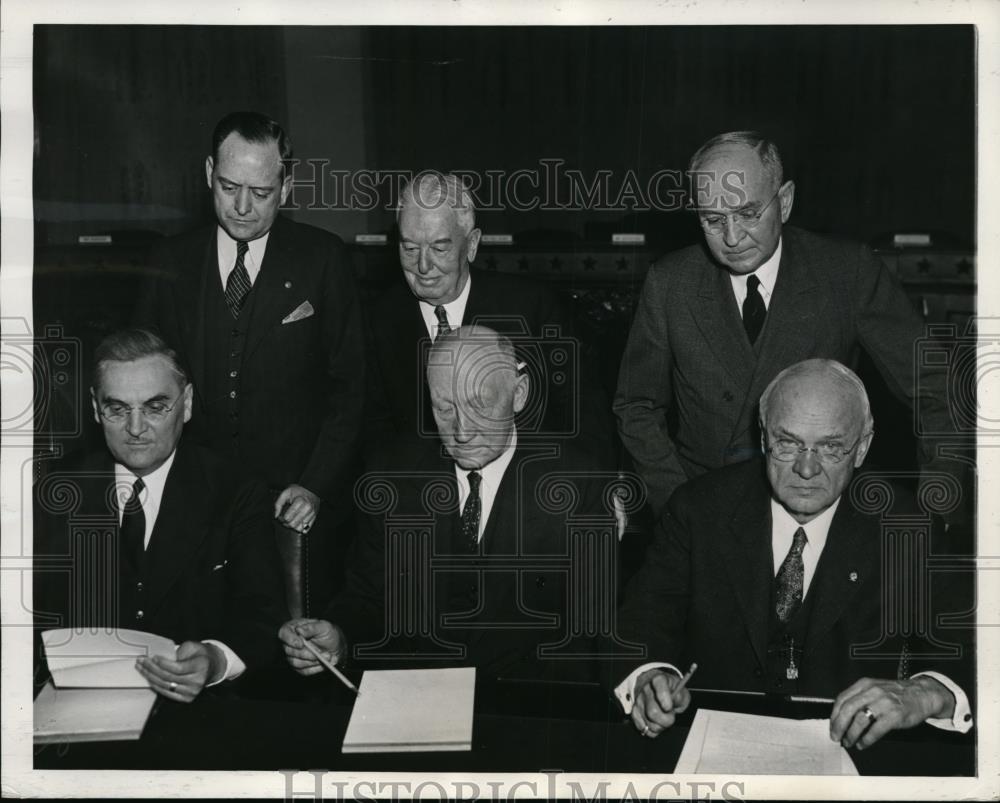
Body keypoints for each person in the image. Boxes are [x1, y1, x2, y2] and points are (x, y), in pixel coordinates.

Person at [611, 359, 973, 749]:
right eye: (788, 443)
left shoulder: (907, 528)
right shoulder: (700, 510)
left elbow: (971, 648)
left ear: (862, 447)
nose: (806, 468)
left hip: (851, 761)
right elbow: (639, 624)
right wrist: (649, 676)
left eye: (831, 447)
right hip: (711, 751)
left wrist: (924, 692)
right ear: (765, 438)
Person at [614, 130, 955, 517]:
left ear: (785, 201)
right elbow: (635, 405)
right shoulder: (670, 282)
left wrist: (939, 506)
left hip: (819, 508)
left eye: (747, 214)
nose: (732, 237)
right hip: (707, 509)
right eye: (713, 219)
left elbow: (937, 387)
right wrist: (679, 504)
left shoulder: (848, 273)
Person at [279, 326, 621, 683]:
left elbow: (590, 630)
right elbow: (369, 596)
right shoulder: (391, 473)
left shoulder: (579, 482)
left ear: (519, 394)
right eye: (444, 409)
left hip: (527, 702)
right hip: (415, 693)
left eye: (478, 406)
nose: (461, 430)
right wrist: (340, 638)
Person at [134, 111, 364, 611]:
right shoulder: (167, 262)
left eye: (260, 192)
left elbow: (352, 389)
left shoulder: (323, 259)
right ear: (207, 172)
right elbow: (144, 387)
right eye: (228, 186)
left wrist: (316, 484)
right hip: (195, 505)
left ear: (286, 186)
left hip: (293, 504)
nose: (241, 206)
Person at [33, 328, 288, 702]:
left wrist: (215, 660)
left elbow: (263, 619)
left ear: (185, 405)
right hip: (76, 708)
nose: (135, 429)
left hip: (196, 714)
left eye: (155, 407)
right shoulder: (53, 492)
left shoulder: (235, 491)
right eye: (117, 409)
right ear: (94, 408)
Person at [363, 170, 612, 463]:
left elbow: (583, 417)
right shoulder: (375, 320)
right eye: (409, 248)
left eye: (440, 248)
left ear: (471, 245)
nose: (423, 265)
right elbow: (373, 435)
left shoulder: (532, 307)